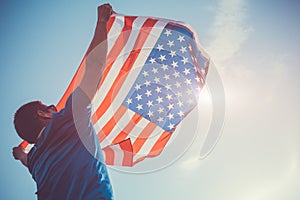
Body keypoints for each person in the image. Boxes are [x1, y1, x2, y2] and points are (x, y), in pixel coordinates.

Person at [12, 4, 114, 200]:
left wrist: (20, 154)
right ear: (42, 114)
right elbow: (95, 67)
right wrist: (102, 23)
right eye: (48, 107)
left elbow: (25, 160)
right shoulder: (70, 118)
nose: (55, 107)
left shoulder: (36, 164)